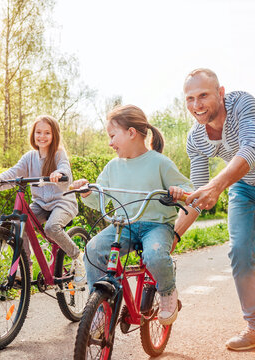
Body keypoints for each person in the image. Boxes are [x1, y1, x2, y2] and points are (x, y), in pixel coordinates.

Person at [177, 68, 255, 350]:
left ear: (220, 94)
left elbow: (250, 150)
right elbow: (199, 195)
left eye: (203, 96)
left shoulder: (243, 104)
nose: (197, 105)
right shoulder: (195, 139)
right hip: (243, 187)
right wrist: (172, 238)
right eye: (190, 98)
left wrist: (217, 185)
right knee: (239, 253)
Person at [71, 104, 193, 325]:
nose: (110, 143)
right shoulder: (112, 167)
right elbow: (99, 199)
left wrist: (178, 192)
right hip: (122, 226)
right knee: (92, 249)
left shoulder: (160, 162)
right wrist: (88, 191)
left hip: (156, 226)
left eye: (112, 135)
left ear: (131, 133)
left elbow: (188, 191)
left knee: (155, 255)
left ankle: (167, 292)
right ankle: (101, 305)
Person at [0, 115, 85, 284]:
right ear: (33, 134)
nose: (42, 136)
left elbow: (64, 168)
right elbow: (13, 173)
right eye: (38, 132)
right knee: (21, 224)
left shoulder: (58, 153)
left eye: (47, 133)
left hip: (63, 202)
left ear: (54, 135)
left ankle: (78, 257)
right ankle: (26, 267)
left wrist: (60, 174)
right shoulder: (29, 157)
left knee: (51, 228)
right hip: (41, 204)